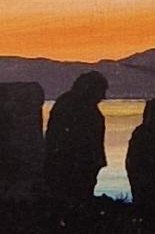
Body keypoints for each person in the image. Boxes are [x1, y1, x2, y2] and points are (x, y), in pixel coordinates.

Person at [42, 70, 110, 203]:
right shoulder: (75, 107)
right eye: (100, 92)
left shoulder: (75, 105)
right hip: (72, 166)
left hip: (78, 165)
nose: (102, 97)